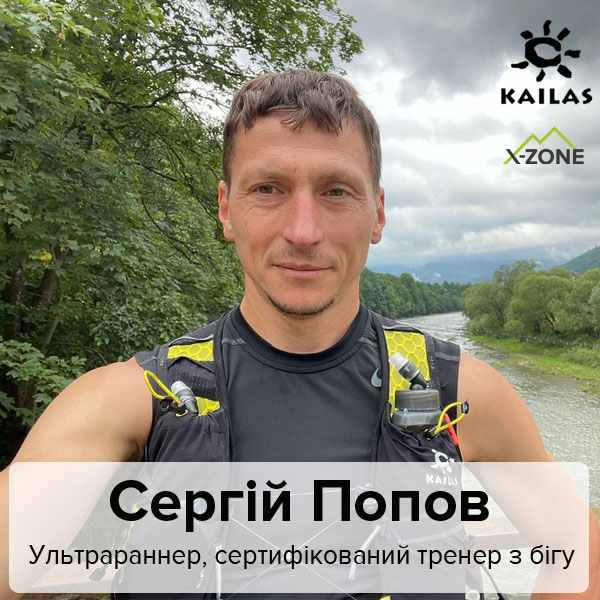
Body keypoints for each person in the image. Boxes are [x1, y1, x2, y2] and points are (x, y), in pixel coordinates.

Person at [1, 70, 598, 600]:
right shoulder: (131, 399)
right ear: (227, 209)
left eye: (336, 191)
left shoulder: (462, 394)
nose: (304, 231)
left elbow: (582, 553)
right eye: (268, 189)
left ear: (378, 214)